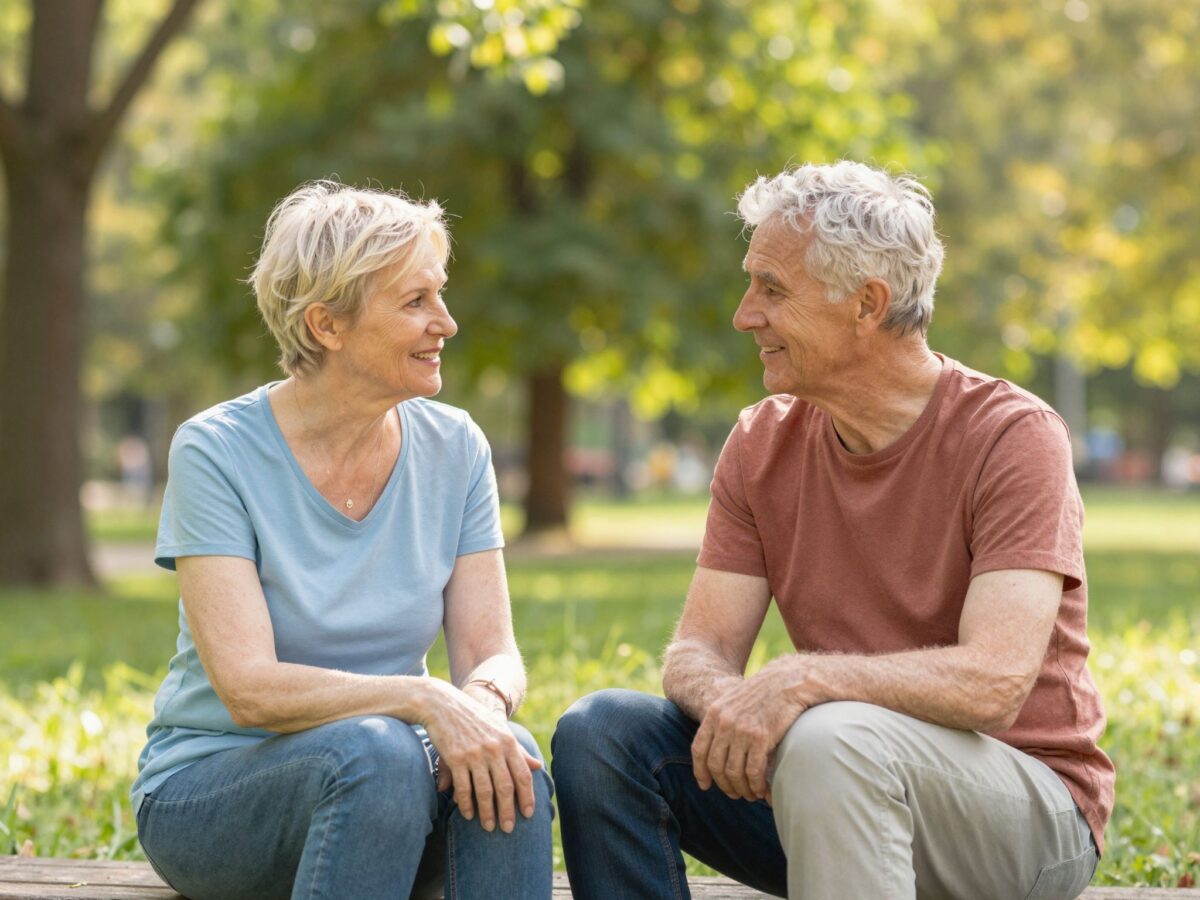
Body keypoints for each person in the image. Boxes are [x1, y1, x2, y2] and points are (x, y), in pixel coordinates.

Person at [552, 161, 1113, 900]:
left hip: (1025, 811)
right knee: (602, 735)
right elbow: (699, 649)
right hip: (830, 777)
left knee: (830, 738)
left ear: (866, 304)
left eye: (772, 289)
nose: (744, 315)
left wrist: (804, 680)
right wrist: (738, 708)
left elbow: (994, 683)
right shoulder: (761, 441)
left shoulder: (1013, 436)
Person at [132, 181, 553, 900]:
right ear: (326, 325)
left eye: (440, 295)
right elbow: (249, 689)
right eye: (415, 302)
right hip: (214, 793)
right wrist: (424, 700)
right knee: (376, 753)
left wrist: (478, 706)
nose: (446, 322)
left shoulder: (456, 446)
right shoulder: (216, 450)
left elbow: (493, 652)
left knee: (510, 755)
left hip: (393, 779)